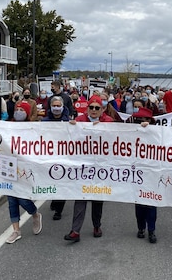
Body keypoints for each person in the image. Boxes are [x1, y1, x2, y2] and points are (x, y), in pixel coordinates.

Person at [64, 96, 114, 242]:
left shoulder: (108, 122)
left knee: (98, 198)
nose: (93, 110)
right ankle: (75, 230)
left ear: (102, 109)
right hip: (83, 165)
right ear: (87, 109)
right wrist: (70, 127)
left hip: (100, 166)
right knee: (80, 197)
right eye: (91, 107)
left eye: (97, 108)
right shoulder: (80, 121)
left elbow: (116, 137)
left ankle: (97, 225)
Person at [5, 101, 42, 243]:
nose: (19, 111)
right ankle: (16, 230)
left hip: (25, 169)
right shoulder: (7, 125)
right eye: (17, 109)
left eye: (22, 109)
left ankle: (35, 214)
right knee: (11, 200)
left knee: (23, 199)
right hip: (8, 167)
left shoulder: (31, 128)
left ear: (27, 113)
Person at [132, 107, 158, 243]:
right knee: (139, 203)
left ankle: (151, 229)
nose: (142, 122)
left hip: (152, 172)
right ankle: (141, 227)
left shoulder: (157, 134)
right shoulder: (131, 133)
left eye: (145, 119)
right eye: (139, 119)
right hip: (136, 172)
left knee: (151, 202)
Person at [42, 96, 71, 220]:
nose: (57, 108)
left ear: (63, 107)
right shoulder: (44, 122)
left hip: (64, 156)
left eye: (59, 105)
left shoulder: (69, 122)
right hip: (49, 156)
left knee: (61, 182)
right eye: (54, 105)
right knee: (51, 180)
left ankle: (59, 210)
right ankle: (54, 199)